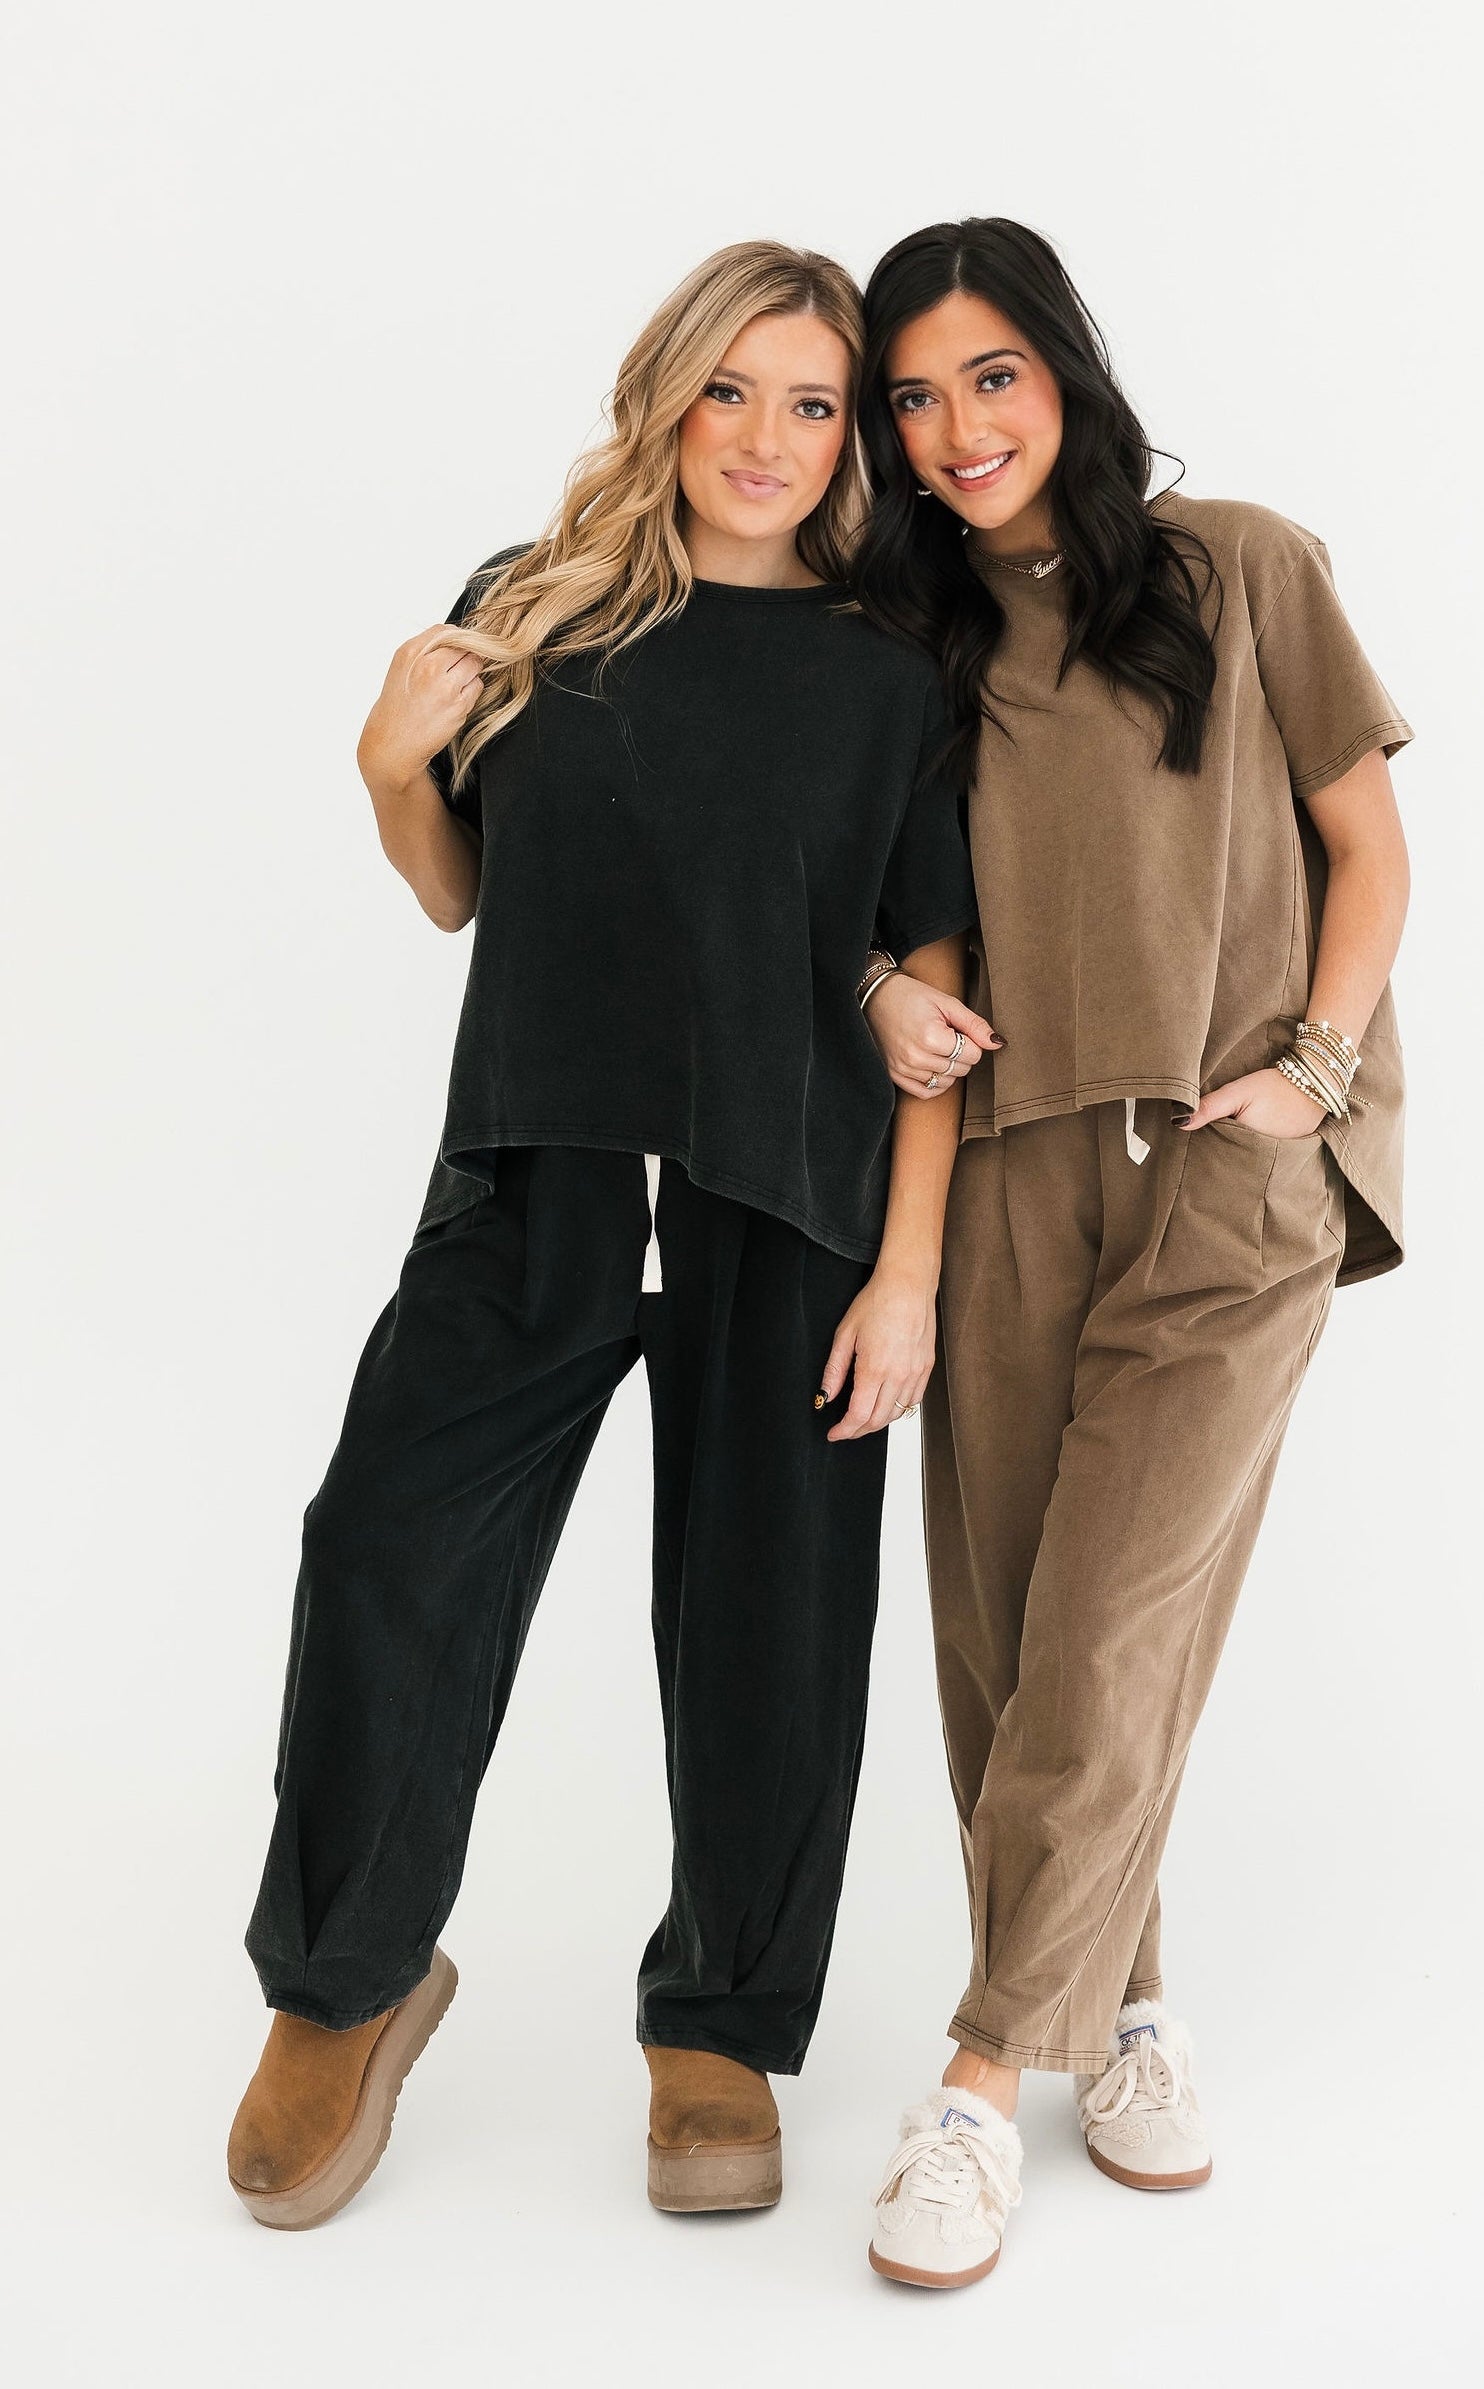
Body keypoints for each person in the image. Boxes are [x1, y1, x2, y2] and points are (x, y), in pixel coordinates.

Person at [227, 241, 975, 2232]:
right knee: (381, 1542)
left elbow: (932, 987)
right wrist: (388, 762)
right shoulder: (534, 602)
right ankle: (346, 1982)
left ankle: (718, 2018)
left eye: (811, 404)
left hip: (789, 1193)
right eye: (729, 390)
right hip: (532, 1166)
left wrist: (908, 1273)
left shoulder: (892, 671)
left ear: (849, 440)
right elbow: (456, 889)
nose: (764, 439)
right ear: (663, 396)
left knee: (768, 1615)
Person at [850, 217, 1412, 2288]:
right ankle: (1132, 2007)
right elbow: (878, 935)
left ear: (1065, 372)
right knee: (1010, 1651)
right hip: (1004, 1172)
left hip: (1224, 1171)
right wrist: (869, 1011)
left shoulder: (1242, 567)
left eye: (988, 375)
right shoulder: (901, 647)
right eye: (912, 398)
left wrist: (1310, 1072)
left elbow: (1366, 849)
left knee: (1099, 1635)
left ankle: (978, 2081)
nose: (955, 429)